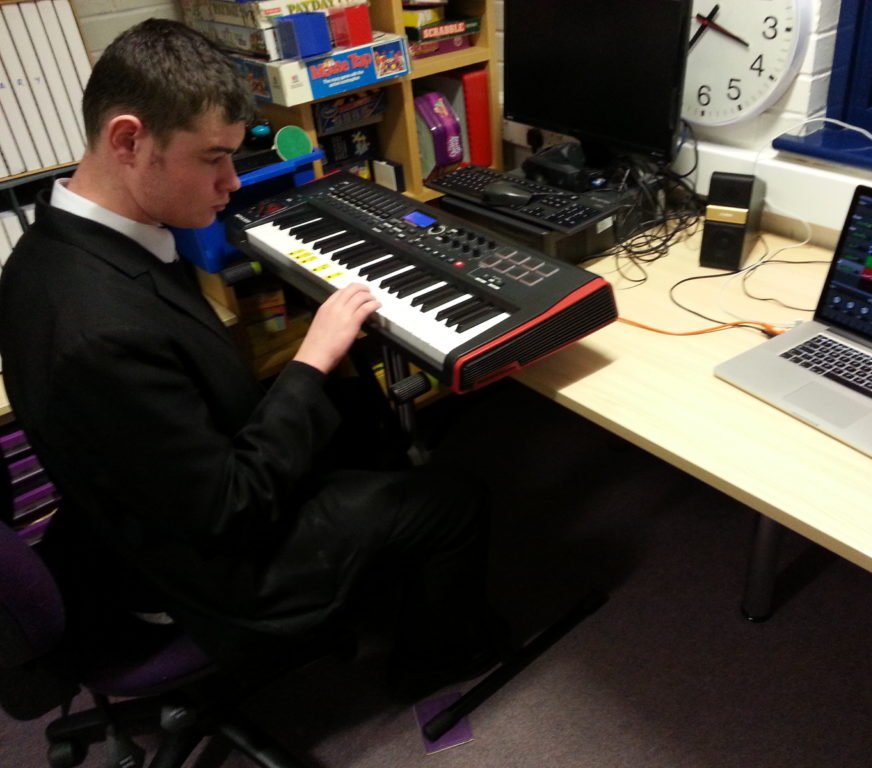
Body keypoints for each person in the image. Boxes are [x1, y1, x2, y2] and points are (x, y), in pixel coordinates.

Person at [0, 18, 499, 696]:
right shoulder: (98, 333)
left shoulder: (48, 247)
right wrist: (310, 358)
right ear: (128, 140)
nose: (232, 182)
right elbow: (231, 508)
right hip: (220, 566)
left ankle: (382, 572)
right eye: (213, 159)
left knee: (360, 410)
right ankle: (432, 663)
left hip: (158, 495)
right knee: (453, 498)